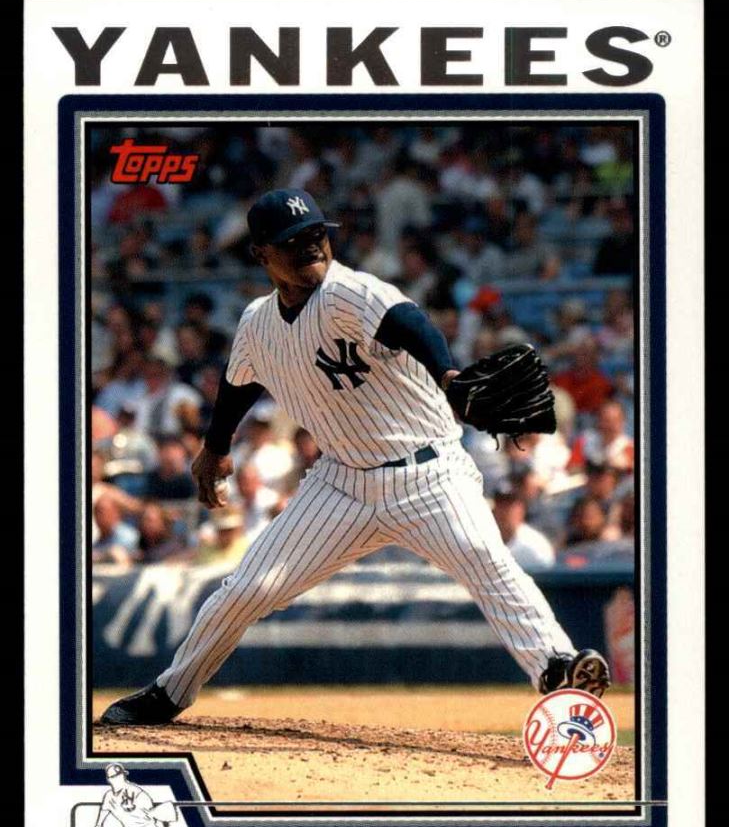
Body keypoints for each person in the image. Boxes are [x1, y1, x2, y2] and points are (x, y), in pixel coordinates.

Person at [101, 188, 609, 725]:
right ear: (261, 254)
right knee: (248, 587)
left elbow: (409, 322)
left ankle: (558, 667)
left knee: (489, 563)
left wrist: (447, 375)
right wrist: (216, 447)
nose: (311, 246)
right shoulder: (256, 324)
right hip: (340, 483)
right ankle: (170, 691)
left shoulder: (349, 291)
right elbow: (239, 383)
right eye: (293, 241)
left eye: (317, 234)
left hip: (430, 476)